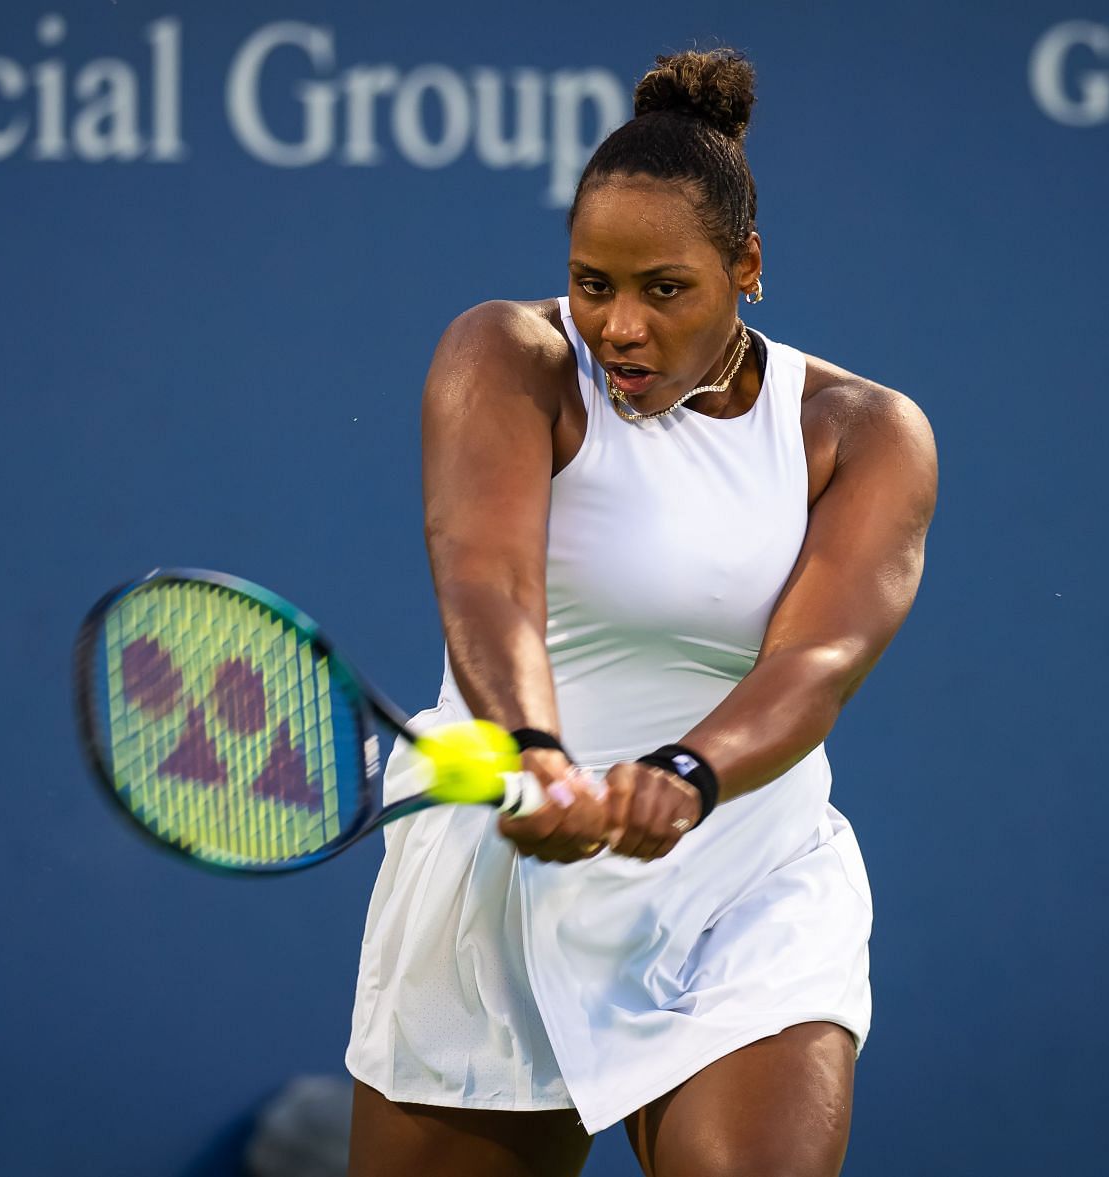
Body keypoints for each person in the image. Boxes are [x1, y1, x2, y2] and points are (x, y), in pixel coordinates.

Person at [345, 47, 937, 1177]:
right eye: (593, 284)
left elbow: (815, 661)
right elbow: (488, 577)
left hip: (740, 868)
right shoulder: (505, 356)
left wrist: (689, 772)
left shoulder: (861, 434)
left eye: (666, 289)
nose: (619, 326)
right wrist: (536, 750)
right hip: (501, 865)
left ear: (747, 266)